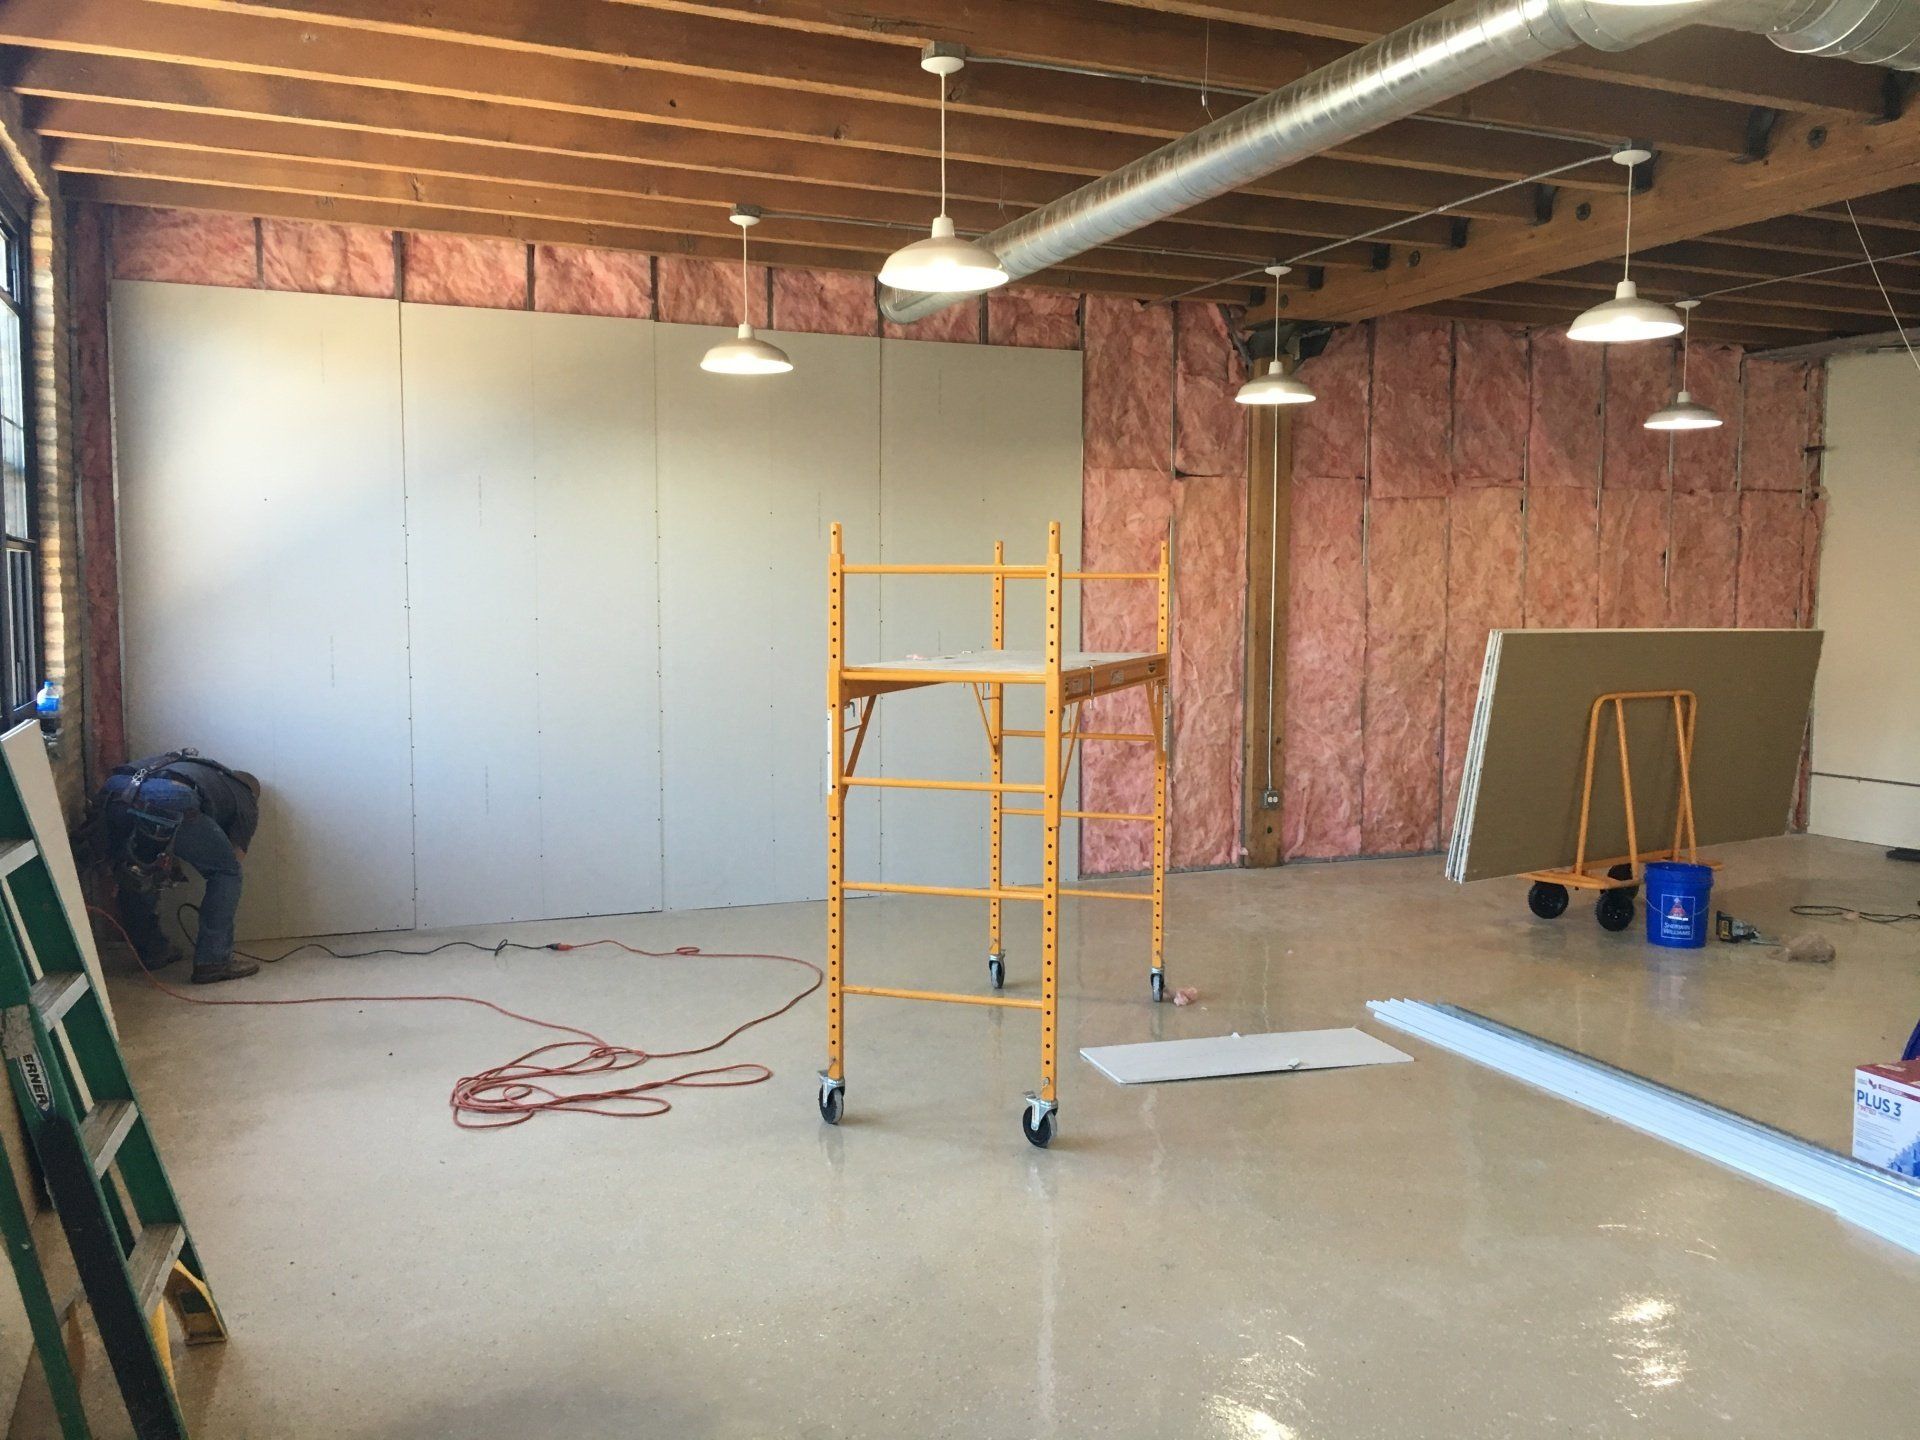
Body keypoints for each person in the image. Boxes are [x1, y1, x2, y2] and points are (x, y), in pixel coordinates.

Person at [96, 751, 261, 985]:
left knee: (136, 871)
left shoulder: (191, 765)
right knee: (227, 872)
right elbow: (234, 857)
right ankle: (213, 961)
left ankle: (153, 951)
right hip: (170, 800)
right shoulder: (245, 796)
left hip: (115, 793)